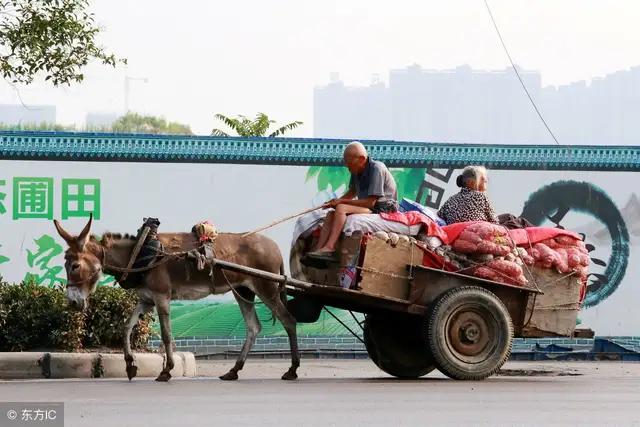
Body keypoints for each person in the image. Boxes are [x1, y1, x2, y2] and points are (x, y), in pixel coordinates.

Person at [307, 141, 398, 260]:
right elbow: (352, 192)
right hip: (369, 207)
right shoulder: (356, 170)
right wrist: (334, 201)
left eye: (349, 162)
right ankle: (319, 250)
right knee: (330, 214)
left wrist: (340, 203)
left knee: (341, 208)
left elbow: (371, 202)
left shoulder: (377, 168)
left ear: (362, 159)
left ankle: (329, 247)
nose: (347, 166)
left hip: (382, 209)